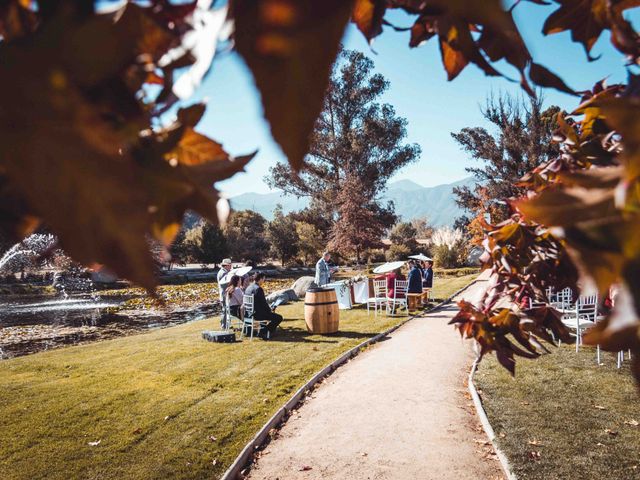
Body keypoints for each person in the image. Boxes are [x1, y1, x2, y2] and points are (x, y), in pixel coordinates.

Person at [244, 272, 283, 339]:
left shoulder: (248, 287)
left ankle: (263, 330)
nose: (264, 280)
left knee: (268, 313)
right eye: (264, 279)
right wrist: (269, 310)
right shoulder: (258, 289)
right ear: (260, 279)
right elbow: (263, 303)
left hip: (249, 313)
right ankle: (264, 331)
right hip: (257, 314)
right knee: (279, 317)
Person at [217, 258, 232, 327]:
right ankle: (224, 325)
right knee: (225, 310)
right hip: (224, 294)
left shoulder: (224, 272)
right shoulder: (223, 273)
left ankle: (225, 324)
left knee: (225, 310)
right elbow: (225, 284)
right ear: (226, 266)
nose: (230, 267)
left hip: (224, 294)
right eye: (229, 265)